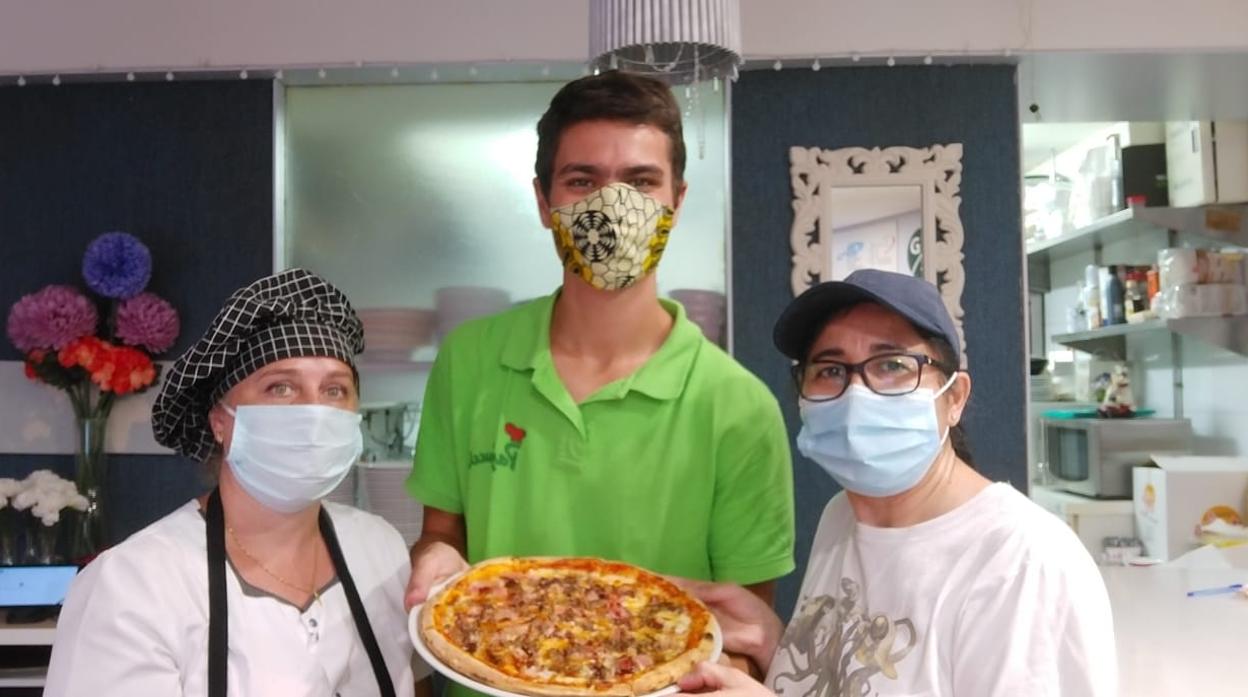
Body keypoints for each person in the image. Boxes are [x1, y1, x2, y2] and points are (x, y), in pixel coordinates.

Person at [404, 71, 795, 670]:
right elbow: (443, 537)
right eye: (582, 180)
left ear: (677, 201)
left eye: (641, 182)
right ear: (543, 201)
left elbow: (739, 635)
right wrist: (432, 557)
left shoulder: (739, 406)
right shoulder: (469, 361)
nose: (613, 209)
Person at [675, 269, 1117, 697]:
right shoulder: (843, 516)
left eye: (892, 365)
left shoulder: (1021, 564)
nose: (856, 393)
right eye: (830, 371)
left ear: (955, 398)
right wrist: (775, 642)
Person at [45, 268, 427, 697]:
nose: (314, 413)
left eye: (335, 390)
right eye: (281, 387)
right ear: (221, 422)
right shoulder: (131, 585)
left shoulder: (381, 549)